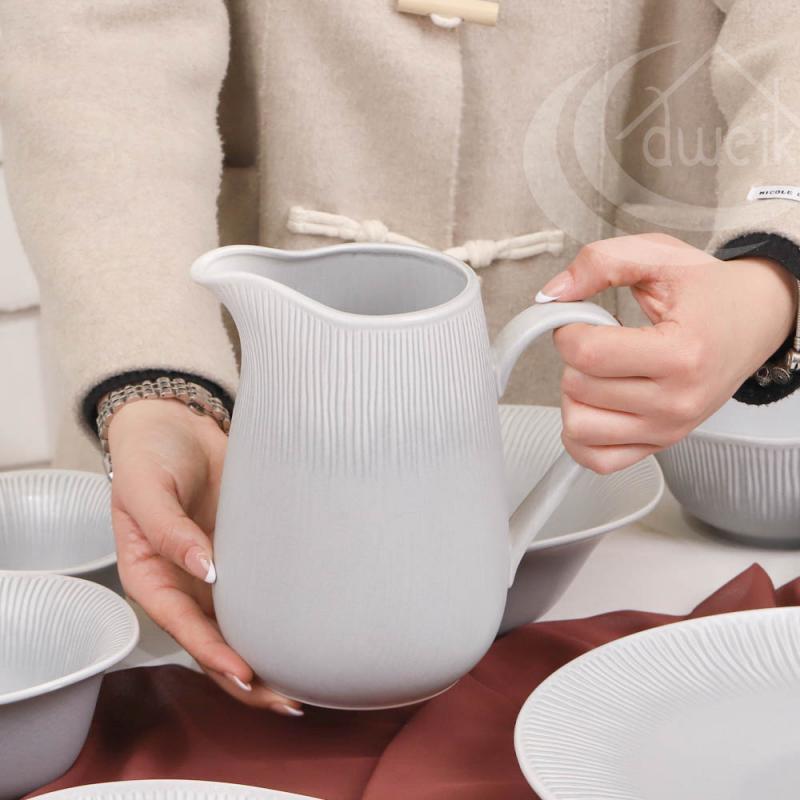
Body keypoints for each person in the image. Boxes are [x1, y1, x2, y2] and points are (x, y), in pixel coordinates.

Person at [2, 1, 799, 715]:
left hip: (639, 520)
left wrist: (771, 263)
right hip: (207, 448)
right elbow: (92, 31)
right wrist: (153, 382)